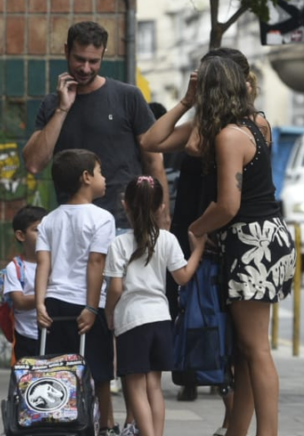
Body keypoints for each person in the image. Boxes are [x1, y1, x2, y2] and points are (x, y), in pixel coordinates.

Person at [145, 55, 294, 436]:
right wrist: (185, 102)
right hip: (263, 239)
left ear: (210, 92)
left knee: (255, 348)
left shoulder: (229, 136)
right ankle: (237, 431)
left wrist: (196, 229)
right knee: (245, 351)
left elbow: (228, 204)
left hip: (252, 242)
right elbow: (150, 141)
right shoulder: (249, 126)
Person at [23, 20, 169, 229]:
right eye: (79, 59)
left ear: (103, 55)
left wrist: (162, 220)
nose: (85, 68)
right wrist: (62, 110)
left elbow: (153, 161)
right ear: (66, 51)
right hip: (74, 228)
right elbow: (33, 164)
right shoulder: (52, 105)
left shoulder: (128, 97)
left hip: (124, 225)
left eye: (93, 61)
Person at [103, 176, 207, 436]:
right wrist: (198, 250)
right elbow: (182, 277)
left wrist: (108, 313)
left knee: (135, 387)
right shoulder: (168, 240)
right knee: (154, 387)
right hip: (160, 320)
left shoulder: (118, 244)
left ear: (125, 204)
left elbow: (115, 289)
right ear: (161, 207)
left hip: (131, 322)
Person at [33, 149, 120, 436]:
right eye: (100, 172)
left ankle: (58, 422)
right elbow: (96, 262)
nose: (104, 178)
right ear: (86, 177)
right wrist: (92, 307)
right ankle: (106, 425)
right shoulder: (103, 218)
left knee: (56, 369)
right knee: (99, 371)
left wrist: (40, 303)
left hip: (55, 303)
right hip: (86, 304)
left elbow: (43, 264)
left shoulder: (49, 220)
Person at [2, 205, 48, 361]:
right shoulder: (15, 268)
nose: (43, 234)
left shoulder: (56, 263)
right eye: (37, 230)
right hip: (26, 337)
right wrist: (50, 295)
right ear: (21, 235)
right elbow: (20, 302)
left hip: (52, 334)